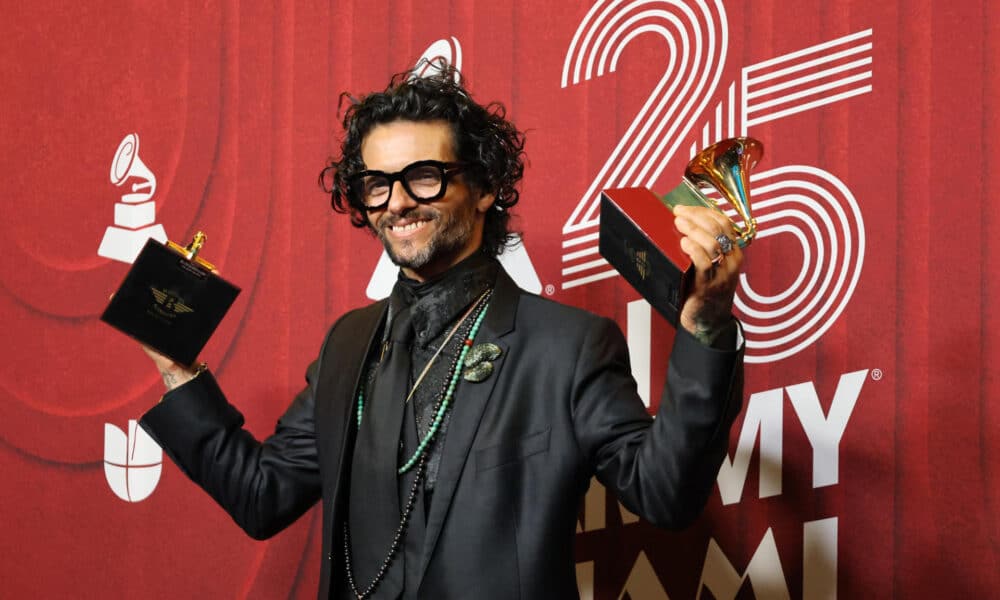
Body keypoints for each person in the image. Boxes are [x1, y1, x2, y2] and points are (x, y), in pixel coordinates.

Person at [139, 64, 746, 600]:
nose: (397, 203)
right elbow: (262, 496)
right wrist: (176, 369)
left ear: (483, 188)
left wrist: (705, 326)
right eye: (377, 185)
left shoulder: (567, 346)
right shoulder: (347, 345)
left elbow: (666, 494)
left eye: (423, 176)